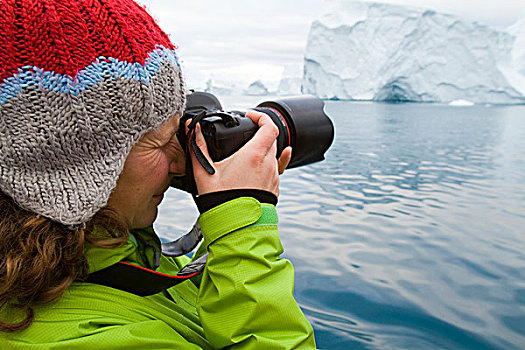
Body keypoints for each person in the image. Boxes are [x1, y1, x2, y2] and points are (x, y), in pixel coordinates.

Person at [0, 0, 316, 348]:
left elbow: (175, 304)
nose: (180, 165)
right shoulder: (84, 339)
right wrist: (246, 232)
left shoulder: (104, 249)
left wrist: (222, 223)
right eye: (163, 143)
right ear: (78, 163)